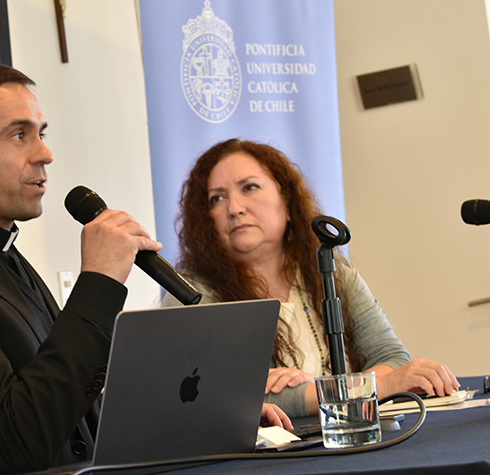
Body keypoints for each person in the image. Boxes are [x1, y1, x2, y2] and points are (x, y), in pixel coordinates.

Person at [0, 64, 290, 475]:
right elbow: (17, 440)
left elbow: (74, 407)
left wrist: (209, 413)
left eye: (41, 134)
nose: (44, 154)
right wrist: (98, 283)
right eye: (19, 135)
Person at [164, 138, 459, 418]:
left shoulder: (332, 272)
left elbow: (392, 358)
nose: (235, 208)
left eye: (250, 187)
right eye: (217, 198)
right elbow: (216, 397)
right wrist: (372, 387)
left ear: (288, 204)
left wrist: (328, 390)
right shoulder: (191, 293)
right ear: (206, 220)